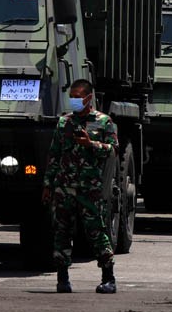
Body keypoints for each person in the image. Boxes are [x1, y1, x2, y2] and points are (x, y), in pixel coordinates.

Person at [42, 79, 119, 294]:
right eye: (72, 97)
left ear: (88, 98)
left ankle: (108, 277)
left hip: (89, 189)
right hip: (64, 188)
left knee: (97, 232)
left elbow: (112, 151)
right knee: (61, 232)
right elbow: (54, 155)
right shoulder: (63, 123)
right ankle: (62, 278)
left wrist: (90, 143)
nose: (74, 100)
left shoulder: (104, 122)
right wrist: (48, 185)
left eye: (78, 97)